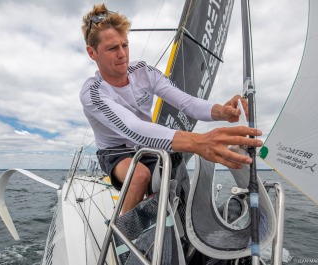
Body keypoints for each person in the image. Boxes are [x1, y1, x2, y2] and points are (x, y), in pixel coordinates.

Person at [80, 4, 263, 215]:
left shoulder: (144, 72)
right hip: (116, 151)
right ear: (92, 53)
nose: (122, 54)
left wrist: (222, 111)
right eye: (112, 48)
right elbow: (132, 127)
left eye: (125, 45)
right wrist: (198, 141)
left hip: (143, 144)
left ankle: (162, 227)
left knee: (170, 180)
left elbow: (188, 103)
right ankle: (122, 235)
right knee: (140, 176)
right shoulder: (93, 92)